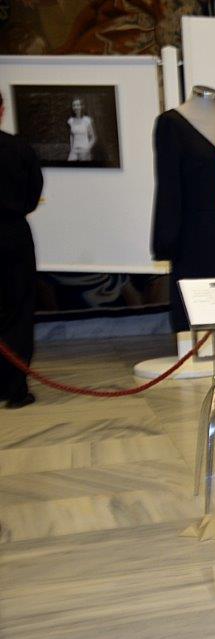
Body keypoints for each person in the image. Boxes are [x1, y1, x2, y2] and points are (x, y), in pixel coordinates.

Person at [0, 91, 44, 408]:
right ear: (2, 110)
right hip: (12, 235)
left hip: (12, 232)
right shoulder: (18, 149)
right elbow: (32, 194)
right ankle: (15, 388)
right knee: (18, 310)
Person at [67, 97, 96, 161]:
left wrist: (87, 150)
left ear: (81, 106)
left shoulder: (87, 120)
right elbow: (71, 136)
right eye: (74, 105)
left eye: (78, 105)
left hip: (84, 150)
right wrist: (71, 149)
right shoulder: (70, 121)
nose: (76, 107)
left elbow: (93, 138)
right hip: (74, 151)